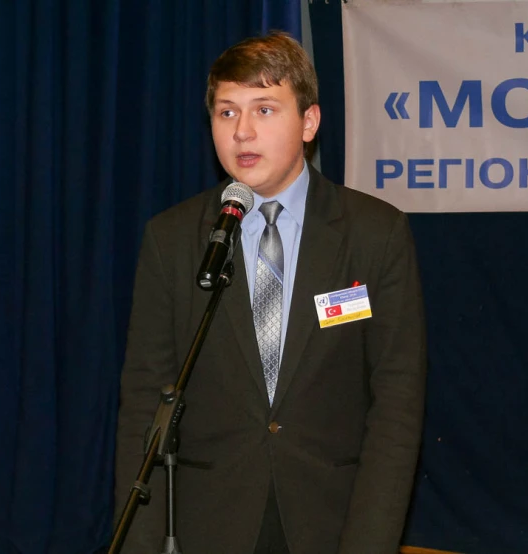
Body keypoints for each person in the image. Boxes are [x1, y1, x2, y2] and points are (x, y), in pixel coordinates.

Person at [114, 31, 426, 554]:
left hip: (332, 519)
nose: (243, 132)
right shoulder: (173, 239)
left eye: (264, 109)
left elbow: (397, 405)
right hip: (208, 522)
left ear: (309, 122)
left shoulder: (376, 234)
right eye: (227, 112)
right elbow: (145, 403)